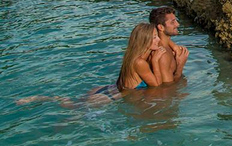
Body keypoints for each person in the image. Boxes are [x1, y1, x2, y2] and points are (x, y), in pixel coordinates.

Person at [17, 23, 167, 107]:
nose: (158, 40)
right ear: (144, 40)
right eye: (154, 37)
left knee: (69, 103)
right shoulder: (140, 62)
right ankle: (40, 100)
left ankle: (40, 98)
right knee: (67, 120)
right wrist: (155, 61)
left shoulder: (134, 56)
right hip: (108, 97)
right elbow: (156, 86)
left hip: (106, 89)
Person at [149, 7, 189, 84]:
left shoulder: (167, 45)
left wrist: (174, 46)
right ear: (161, 27)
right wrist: (180, 65)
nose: (178, 24)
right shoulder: (162, 54)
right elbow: (167, 88)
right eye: (172, 22)